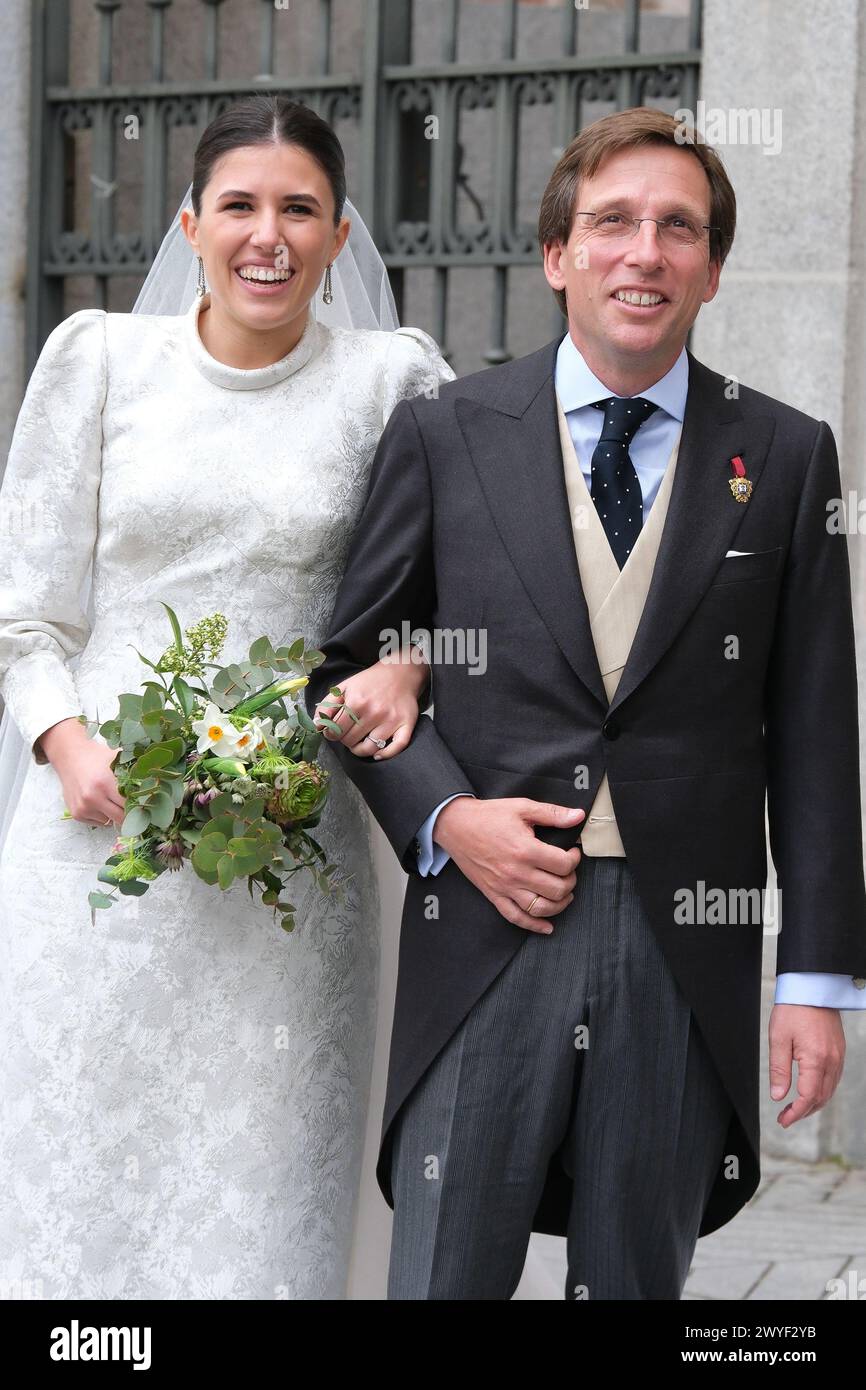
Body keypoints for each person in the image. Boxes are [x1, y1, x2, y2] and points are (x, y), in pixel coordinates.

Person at [306, 106, 866, 1300]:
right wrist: (449, 820)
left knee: (631, 1282)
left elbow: (818, 736)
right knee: (443, 1277)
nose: (643, 252)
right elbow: (345, 673)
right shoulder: (447, 434)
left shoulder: (783, 453)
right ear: (558, 253)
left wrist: (813, 983)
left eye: (678, 228)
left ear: (711, 268)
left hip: (686, 943)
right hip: (485, 936)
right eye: (611, 221)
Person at [0, 94, 452, 1299]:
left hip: (291, 856)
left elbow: (469, 566)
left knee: (262, 1163)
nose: (269, 235)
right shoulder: (97, 357)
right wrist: (66, 743)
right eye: (240, 206)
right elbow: (26, 609)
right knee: (79, 1157)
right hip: (91, 840)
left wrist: (407, 655)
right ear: (191, 222)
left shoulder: (390, 382)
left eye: (299, 208)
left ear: (341, 235)